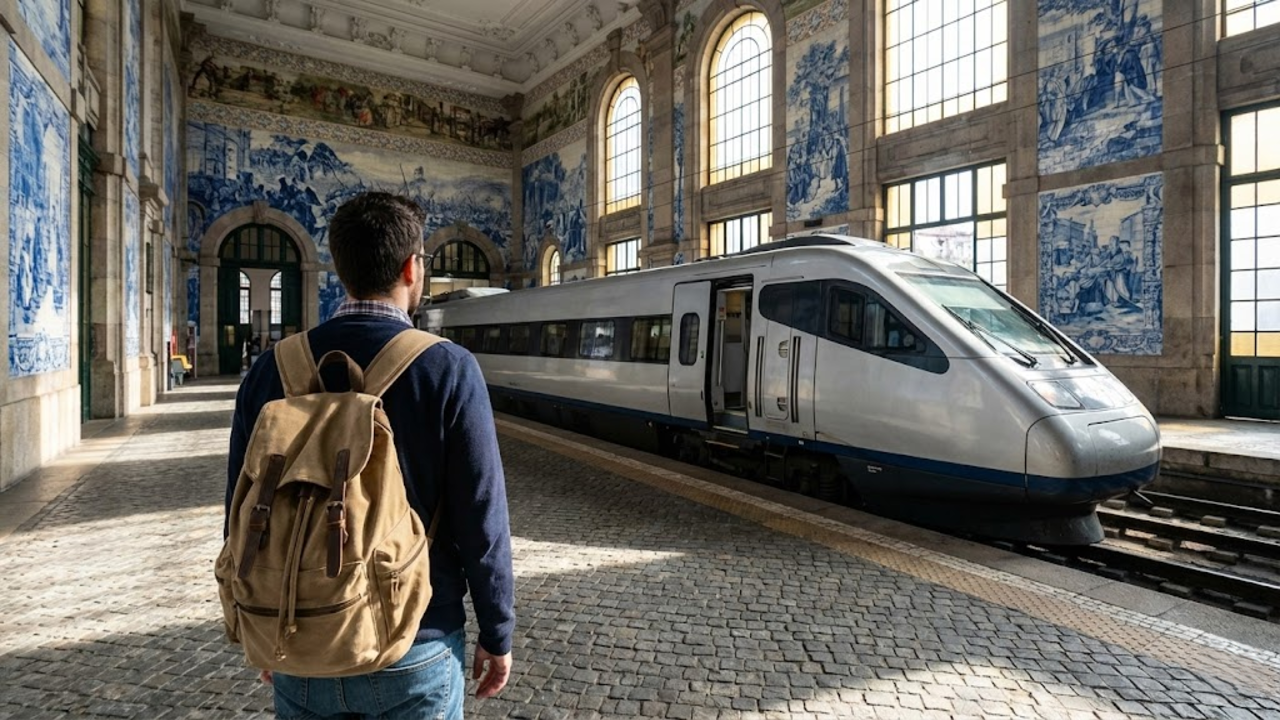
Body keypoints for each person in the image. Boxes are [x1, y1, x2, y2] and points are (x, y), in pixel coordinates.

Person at [226, 191, 515, 718]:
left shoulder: (270, 371)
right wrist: (498, 631)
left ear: (340, 269)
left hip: (297, 639)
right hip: (416, 641)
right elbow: (482, 517)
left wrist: (265, 617)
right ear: (412, 268)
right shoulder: (448, 369)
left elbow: (240, 511)